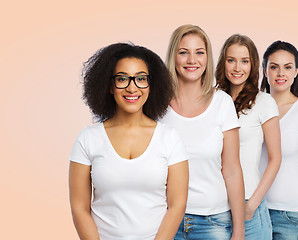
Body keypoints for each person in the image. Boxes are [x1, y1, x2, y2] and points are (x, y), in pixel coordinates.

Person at [69, 43, 189, 240]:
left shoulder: (170, 138)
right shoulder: (88, 138)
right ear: (109, 85)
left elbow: (177, 205)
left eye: (141, 79)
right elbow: (79, 208)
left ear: (151, 85)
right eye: (122, 79)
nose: (132, 87)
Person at [161, 25, 245, 240]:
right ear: (173, 57)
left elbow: (232, 170)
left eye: (199, 52)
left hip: (213, 221)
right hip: (165, 219)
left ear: (207, 58)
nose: (192, 60)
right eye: (183, 52)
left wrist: (239, 230)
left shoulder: (222, 103)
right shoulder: (156, 106)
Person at [215, 34, 281, 239]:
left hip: (248, 203)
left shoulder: (264, 102)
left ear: (252, 66)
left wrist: (253, 203)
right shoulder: (213, 100)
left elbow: (276, 158)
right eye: (231, 60)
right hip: (215, 204)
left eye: (244, 61)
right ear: (222, 63)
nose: (237, 68)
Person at [260, 40, 298, 240]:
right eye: (274, 67)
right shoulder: (252, 107)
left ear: (296, 71)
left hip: (291, 215)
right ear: (264, 70)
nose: (280, 74)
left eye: (287, 67)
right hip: (254, 211)